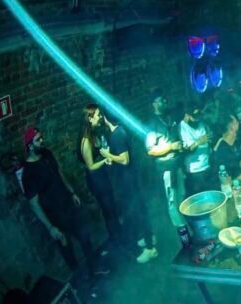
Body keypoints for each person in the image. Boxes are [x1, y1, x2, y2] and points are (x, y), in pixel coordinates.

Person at [22, 127, 107, 276]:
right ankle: (81, 281)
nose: (42, 141)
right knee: (67, 248)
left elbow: (59, 172)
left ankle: (95, 267)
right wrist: (50, 227)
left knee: (84, 235)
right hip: (55, 216)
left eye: (41, 137)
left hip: (68, 205)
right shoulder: (28, 173)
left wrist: (71, 192)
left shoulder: (47, 153)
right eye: (37, 140)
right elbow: (34, 204)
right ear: (30, 146)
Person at [99, 114, 158, 264]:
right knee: (140, 210)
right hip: (129, 180)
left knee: (138, 212)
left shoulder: (117, 135)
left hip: (128, 182)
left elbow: (124, 160)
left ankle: (150, 249)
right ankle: (149, 238)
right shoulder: (118, 132)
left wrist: (107, 154)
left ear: (105, 118)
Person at [144, 90, 189, 246]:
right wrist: (171, 147)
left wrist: (180, 146)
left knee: (182, 196)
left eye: (164, 99)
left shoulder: (169, 117)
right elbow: (150, 150)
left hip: (177, 165)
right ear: (154, 104)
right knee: (173, 202)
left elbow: (176, 137)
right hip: (166, 169)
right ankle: (183, 235)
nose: (164, 102)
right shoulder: (152, 124)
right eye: (160, 100)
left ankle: (188, 227)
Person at [78, 104, 120, 243]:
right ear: (90, 118)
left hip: (101, 176)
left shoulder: (94, 134)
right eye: (98, 115)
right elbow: (91, 166)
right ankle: (116, 239)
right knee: (108, 209)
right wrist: (105, 160)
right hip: (96, 180)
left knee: (112, 207)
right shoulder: (85, 141)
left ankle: (119, 234)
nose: (101, 117)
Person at [179, 101, 215, 195]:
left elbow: (208, 139)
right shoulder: (182, 128)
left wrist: (210, 140)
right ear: (187, 115)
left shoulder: (200, 123)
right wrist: (198, 142)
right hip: (195, 171)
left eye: (199, 116)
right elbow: (185, 151)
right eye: (195, 116)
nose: (197, 118)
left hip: (207, 166)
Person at [213, 114, 241, 182]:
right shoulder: (222, 152)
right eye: (236, 122)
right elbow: (227, 184)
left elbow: (235, 165)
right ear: (231, 127)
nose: (239, 123)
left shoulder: (236, 143)